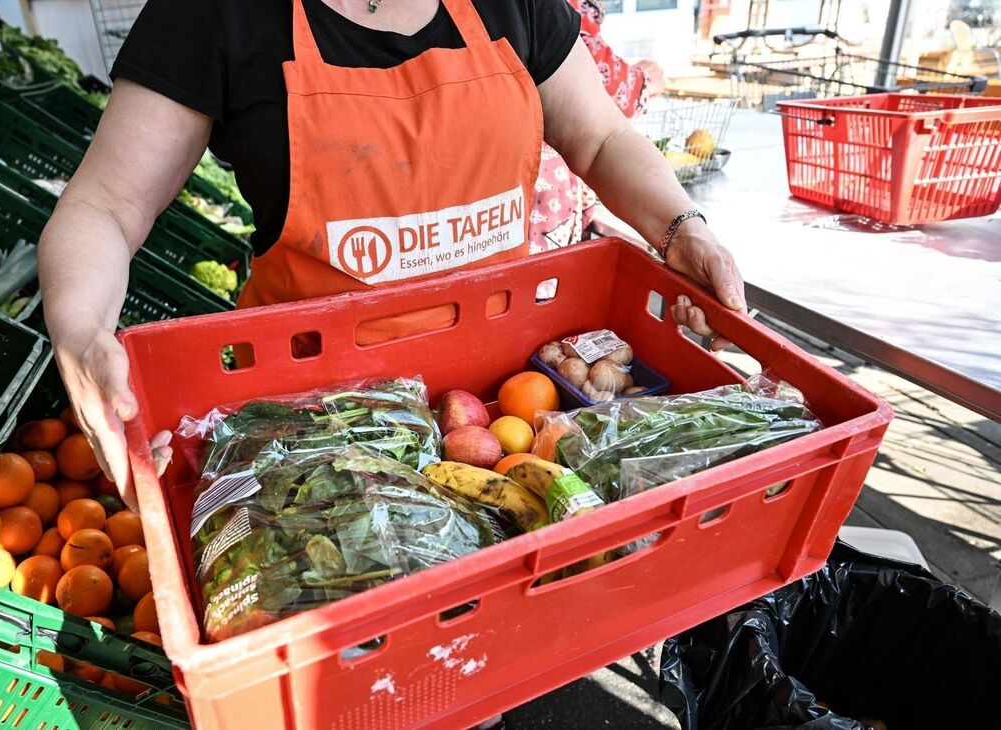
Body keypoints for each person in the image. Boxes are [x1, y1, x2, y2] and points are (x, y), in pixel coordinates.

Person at [37, 0, 745, 510]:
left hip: (506, 398)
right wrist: (78, 330)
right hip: (315, 418)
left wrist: (681, 227)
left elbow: (601, 141)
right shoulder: (214, 16)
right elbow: (107, 204)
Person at [531, 0, 664, 257]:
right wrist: (645, 82)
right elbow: (593, 77)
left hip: (531, 180)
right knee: (544, 275)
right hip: (545, 180)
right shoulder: (556, 9)